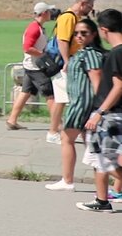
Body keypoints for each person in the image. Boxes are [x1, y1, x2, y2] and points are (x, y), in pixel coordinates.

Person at [45, 18, 105, 191]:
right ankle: (104, 185)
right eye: (76, 33)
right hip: (80, 103)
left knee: (67, 139)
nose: (78, 36)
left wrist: (98, 110)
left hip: (82, 104)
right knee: (92, 147)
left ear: (94, 34)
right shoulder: (84, 52)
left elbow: (97, 83)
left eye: (84, 33)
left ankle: (68, 180)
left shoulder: (90, 54)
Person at [77, 9, 122, 212]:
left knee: (108, 160)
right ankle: (102, 200)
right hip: (112, 114)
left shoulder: (116, 53)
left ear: (103, 30)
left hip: (111, 115)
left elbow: (119, 86)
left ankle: (103, 200)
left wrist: (100, 112)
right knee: (99, 158)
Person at [48, 0, 96, 144]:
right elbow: (62, 40)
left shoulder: (75, 18)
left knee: (64, 99)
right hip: (64, 65)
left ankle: (62, 129)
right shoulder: (68, 17)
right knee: (60, 99)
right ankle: (53, 131)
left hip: (69, 62)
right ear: (82, 3)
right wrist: (67, 61)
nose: (91, 10)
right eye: (90, 6)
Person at [6, 2, 56, 130]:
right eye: (49, 11)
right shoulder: (35, 28)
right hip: (35, 68)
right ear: (44, 13)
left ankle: (12, 120)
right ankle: (58, 124)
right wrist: (43, 55)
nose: (51, 13)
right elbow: (27, 48)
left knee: (25, 92)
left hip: (31, 66)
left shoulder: (37, 27)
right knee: (50, 94)